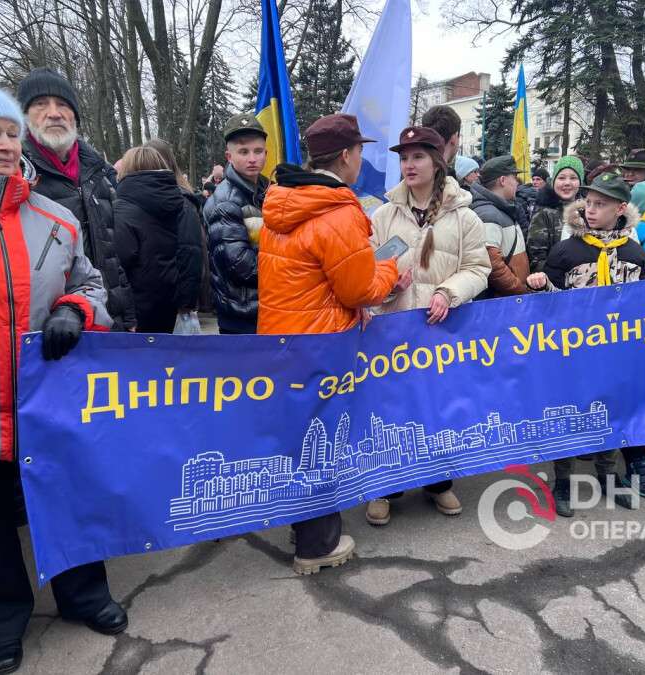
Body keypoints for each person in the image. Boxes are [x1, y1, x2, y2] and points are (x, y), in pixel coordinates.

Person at [0, 72, 126, 675]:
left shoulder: (55, 218)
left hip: (48, 403)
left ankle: (84, 595)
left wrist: (75, 309)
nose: (9, 144)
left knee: (68, 504)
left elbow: (91, 284)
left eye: (14, 132)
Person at [258, 113, 400, 573]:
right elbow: (359, 290)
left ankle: (303, 525)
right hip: (322, 341)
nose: (362, 158)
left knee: (299, 433)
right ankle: (317, 545)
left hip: (283, 338)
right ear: (346, 155)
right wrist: (393, 269)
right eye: (359, 150)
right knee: (322, 435)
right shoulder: (337, 210)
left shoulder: (285, 200)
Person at [366, 125, 491, 526]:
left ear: (437, 163)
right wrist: (387, 287)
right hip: (394, 331)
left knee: (438, 406)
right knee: (392, 408)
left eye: (417, 156)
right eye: (403, 158)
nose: (409, 165)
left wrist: (448, 292)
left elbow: (478, 268)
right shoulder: (384, 215)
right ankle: (386, 487)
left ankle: (438, 482)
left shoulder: (466, 217)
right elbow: (372, 270)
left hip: (441, 332)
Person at [527, 172, 645, 515]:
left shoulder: (636, 254)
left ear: (621, 208)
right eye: (589, 203)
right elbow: (547, 308)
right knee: (568, 412)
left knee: (612, 410)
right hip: (572, 353)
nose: (591, 210)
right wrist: (540, 286)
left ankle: (608, 474)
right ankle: (563, 478)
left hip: (617, 353)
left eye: (601, 204)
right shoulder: (566, 251)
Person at [17, 67, 135, 331]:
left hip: (107, 321)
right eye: (40, 104)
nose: (54, 113)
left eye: (62, 104)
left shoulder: (99, 173)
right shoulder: (16, 175)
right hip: (48, 330)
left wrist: (126, 318)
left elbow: (112, 255)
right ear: (23, 117)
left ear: (75, 116)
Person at [113, 146, 204, 333]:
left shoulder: (121, 211)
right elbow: (192, 255)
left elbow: (117, 267)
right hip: (171, 308)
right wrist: (186, 304)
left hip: (137, 317)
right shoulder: (184, 204)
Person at [205, 113, 270, 334]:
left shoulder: (268, 191)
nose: (252, 158)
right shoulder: (225, 200)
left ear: (266, 153)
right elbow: (241, 267)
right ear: (229, 156)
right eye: (243, 152)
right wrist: (291, 266)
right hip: (241, 315)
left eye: (258, 151)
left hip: (265, 308)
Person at [470, 155, 530, 296]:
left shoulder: (499, 210)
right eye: (514, 177)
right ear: (502, 180)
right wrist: (520, 290)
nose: (517, 183)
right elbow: (493, 266)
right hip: (503, 301)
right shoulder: (488, 214)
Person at [527, 156, 583, 272]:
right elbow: (536, 258)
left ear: (580, 182)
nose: (567, 183)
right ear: (553, 182)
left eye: (573, 178)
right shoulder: (544, 213)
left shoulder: (588, 210)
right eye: (561, 178)